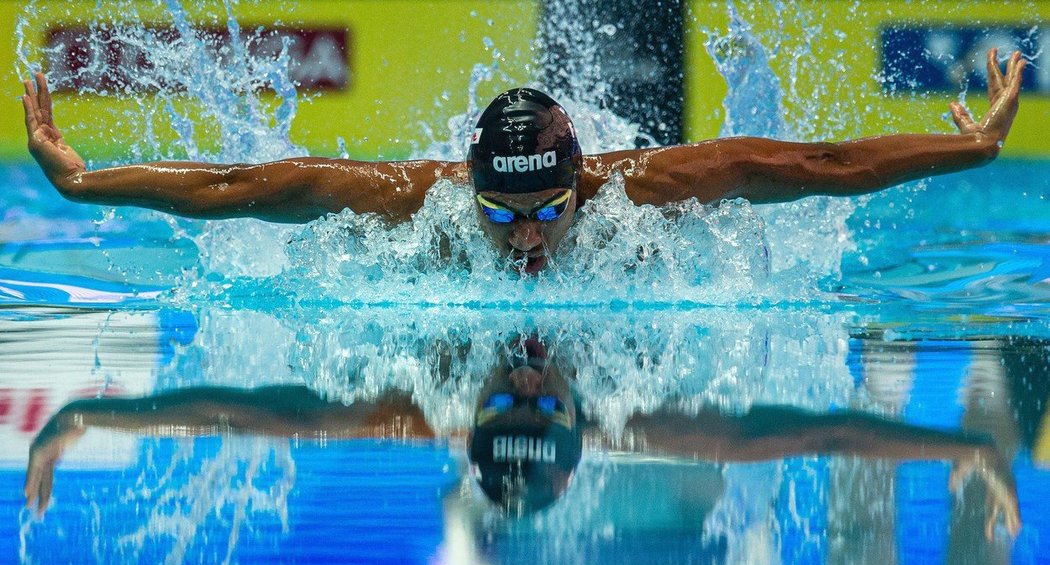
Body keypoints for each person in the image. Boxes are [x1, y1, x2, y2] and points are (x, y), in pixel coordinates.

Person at [22, 49, 1026, 274]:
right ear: (471, 190)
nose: (530, 235)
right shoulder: (420, 200)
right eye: (504, 218)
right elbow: (242, 187)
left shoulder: (638, 190)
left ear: (580, 182)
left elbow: (819, 163)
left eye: (549, 209)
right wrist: (79, 179)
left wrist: (972, 146)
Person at [25, 336, 1022, 539]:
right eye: (545, 407)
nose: (531, 383)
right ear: (582, 424)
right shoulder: (650, 417)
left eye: (516, 405)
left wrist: (87, 414)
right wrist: (964, 450)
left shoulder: (422, 402)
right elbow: (819, 432)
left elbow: (245, 409)